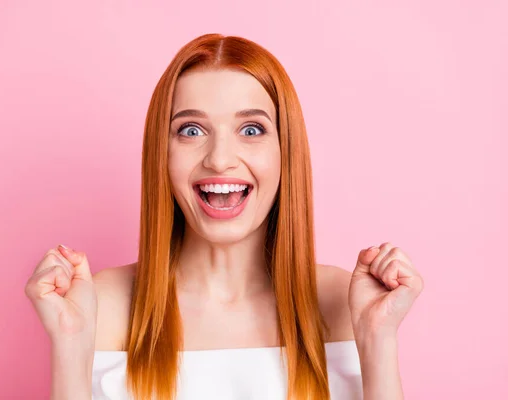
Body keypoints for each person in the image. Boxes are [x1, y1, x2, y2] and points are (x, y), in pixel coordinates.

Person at [25, 33, 424, 400]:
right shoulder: (101, 306)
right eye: (191, 130)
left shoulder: (343, 302)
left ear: (286, 152)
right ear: (160, 154)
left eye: (251, 130)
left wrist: (377, 341)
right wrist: (69, 345)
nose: (219, 159)